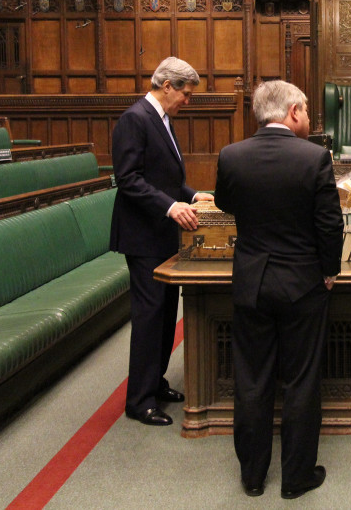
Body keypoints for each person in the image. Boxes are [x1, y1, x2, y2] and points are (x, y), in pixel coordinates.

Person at [214, 80, 344, 500]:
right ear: (291, 112)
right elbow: (329, 224)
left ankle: (252, 476)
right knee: (301, 381)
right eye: (305, 110)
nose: (307, 117)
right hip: (302, 283)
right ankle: (296, 478)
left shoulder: (231, 156)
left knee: (252, 379)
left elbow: (223, 203)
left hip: (251, 280)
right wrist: (330, 271)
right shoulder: (315, 157)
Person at [110, 56, 211, 427]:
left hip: (163, 235)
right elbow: (129, 179)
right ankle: (139, 400)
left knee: (167, 314)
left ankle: (156, 381)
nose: (188, 101)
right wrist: (171, 207)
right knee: (149, 317)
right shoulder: (134, 119)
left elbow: (164, 177)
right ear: (167, 85)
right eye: (186, 93)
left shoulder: (162, 119)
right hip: (143, 236)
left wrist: (191, 193)